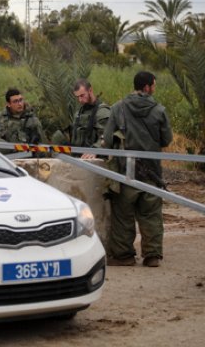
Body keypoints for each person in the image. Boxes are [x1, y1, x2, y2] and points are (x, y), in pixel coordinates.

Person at [102, 71, 173, 268]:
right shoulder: (159, 110)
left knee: (123, 216)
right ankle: (152, 256)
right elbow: (166, 140)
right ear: (148, 87)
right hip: (151, 173)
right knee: (151, 215)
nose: (154, 88)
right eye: (154, 85)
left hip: (126, 173)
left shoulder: (118, 109)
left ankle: (124, 256)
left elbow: (107, 140)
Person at [69, 78, 111, 159]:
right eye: (77, 97)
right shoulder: (79, 113)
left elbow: (106, 136)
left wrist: (95, 150)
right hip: (77, 159)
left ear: (90, 90)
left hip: (95, 161)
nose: (80, 100)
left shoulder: (102, 111)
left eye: (82, 95)